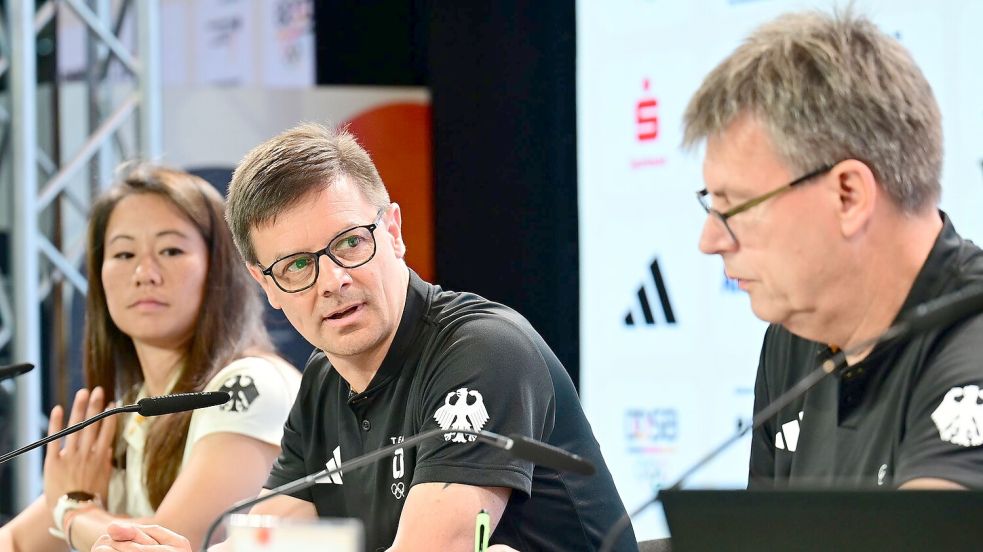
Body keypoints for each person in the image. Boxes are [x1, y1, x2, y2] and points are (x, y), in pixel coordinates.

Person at [93, 123, 637, 552]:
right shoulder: (323, 380)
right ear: (267, 286)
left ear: (394, 232)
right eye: (298, 265)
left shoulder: (482, 350)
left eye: (350, 243)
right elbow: (269, 540)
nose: (333, 281)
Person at [684, 8, 983, 488]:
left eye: (735, 207)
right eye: (710, 205)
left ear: (848, 195)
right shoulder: (794, 337)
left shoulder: (971, 340)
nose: (710, 240)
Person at [0, 165, 301, 551]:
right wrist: (69, 507)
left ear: (219, 267)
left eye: (171, 250)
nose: (145, 273)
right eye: (124, 253)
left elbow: (168, 543)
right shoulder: (129, 411)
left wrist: (75, 512)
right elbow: (15, 541)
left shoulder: (250, 384)